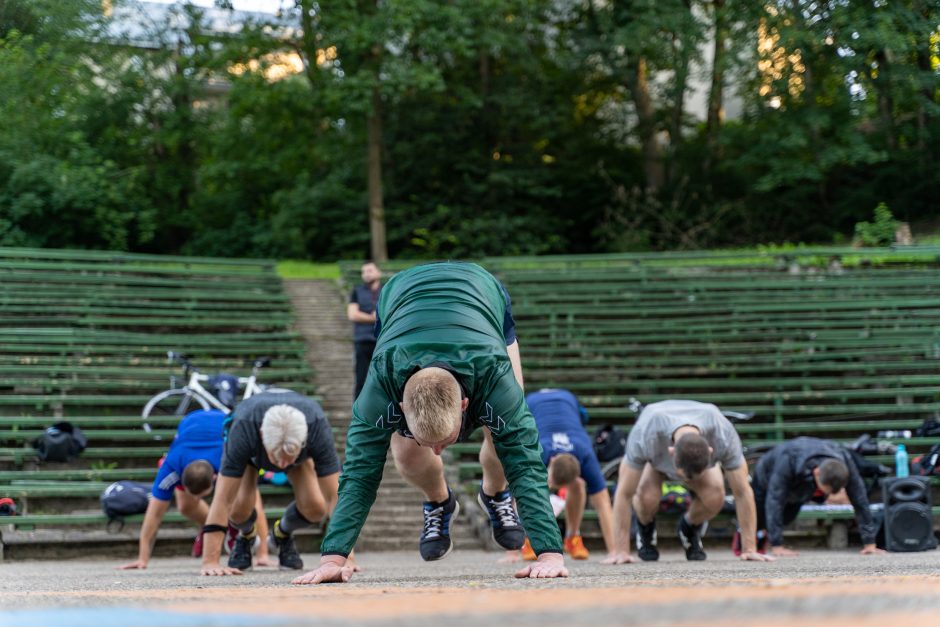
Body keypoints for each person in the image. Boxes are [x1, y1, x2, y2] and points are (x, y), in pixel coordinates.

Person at [292, 261, 568, 585]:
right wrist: (333, 557)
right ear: (400, 406)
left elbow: (526, 461)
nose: (437, 450)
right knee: (406, 454)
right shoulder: (381, 383)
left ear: (466, 405)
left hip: (480, 293)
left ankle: (495, 493)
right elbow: (359, 473)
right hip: (399, 296)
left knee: (506, 433)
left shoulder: (493, 378)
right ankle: (438, 501)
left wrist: (549, 553)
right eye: (430, 442)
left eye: (445, 440)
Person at [604, 400, 773, 564]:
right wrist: (621, 551)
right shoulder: (646, 431)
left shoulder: (722, 432)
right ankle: (645, 528)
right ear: (670, 453)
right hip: (655, 461)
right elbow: (624, 493)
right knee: (646, 497)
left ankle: (689, 526)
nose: (684, 481)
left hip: (697, 458)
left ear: (710, 450)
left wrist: (750, 549)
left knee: (715, 496)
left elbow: (742, 492)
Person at [199, 391, 342, 576]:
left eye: (286, 459)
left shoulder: (316, 425)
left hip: (300, 458)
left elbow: (335, 496)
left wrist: (345, 558)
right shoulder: (244, 427)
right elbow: (222, 498)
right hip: (252, 457)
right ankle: (247, 535)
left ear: (305, 439)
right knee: (238, 507)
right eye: (277, 457)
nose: (281, 465)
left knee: (316, 507)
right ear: (261, 434)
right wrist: (210, 561)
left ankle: (281, 534)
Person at [117, 408, 273, 570]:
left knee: (243, 501)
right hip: (189, 425)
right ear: (180, 479)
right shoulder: (171, 466)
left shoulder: (229, 458)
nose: (199, 500)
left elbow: (255, 501)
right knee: (185, 506)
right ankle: (217, 530)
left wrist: (263, 554)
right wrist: (143, 558)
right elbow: (154, 513)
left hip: (223, 425)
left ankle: (225, 531)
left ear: (215, 478)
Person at [513, 388, 615, 561]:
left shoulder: (586, 454)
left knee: (579, 486)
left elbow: (603, 501)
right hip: (534, 403)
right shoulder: (537, 451)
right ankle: (527, 540)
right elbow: (517, 494)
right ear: (550, 462)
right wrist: (512, 549)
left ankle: (572, 537)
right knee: (529, 486)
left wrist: (615, 552)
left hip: (568, 401)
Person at [746, 436, 884, 557]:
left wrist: (870, 543)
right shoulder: (789, 459)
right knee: (759, 515)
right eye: (823, 489)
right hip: (767, 474)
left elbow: (860, 499)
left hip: (801, 480)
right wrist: (777, 547)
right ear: (817, 472)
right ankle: (749, 539)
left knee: (787, 516)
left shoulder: (845, 462)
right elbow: (774, 500)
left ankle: (766, 535)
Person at [348, 261, 382, 398]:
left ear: (378, 272)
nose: (366, 274)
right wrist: (374, 317)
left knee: (383, 379)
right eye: (364, 272)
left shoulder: (387, 290)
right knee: (361, 380)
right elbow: (352, 314)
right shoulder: (357, 291)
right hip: (362, 341)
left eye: (370, 271)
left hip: (382, 342)